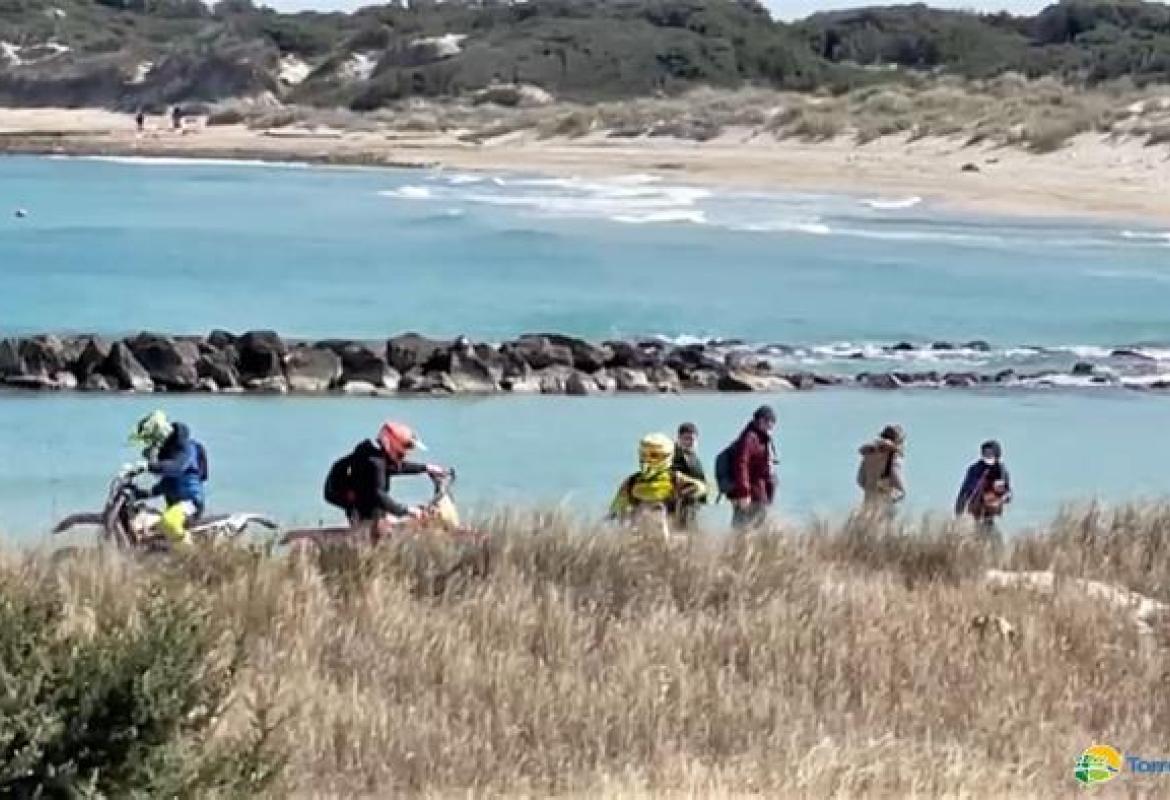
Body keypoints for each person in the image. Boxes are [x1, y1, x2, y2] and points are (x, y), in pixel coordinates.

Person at [324, 421, 448, 541]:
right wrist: (405, 510)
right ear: (390, 443)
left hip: (356, 488)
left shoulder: (378, 455)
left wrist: (426, 468)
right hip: (340, 490)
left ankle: (371, 525)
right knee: (374, 516)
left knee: (380, 511)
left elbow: (397, 467)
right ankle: (364, 533)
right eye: (405, 446)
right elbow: (379, 494)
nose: (407, 452)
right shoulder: (375, 462)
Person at [129, 410, 208, 548]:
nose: (148, 446)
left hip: (191, 503)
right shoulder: (168, 452)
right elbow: (167, 484)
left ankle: (193, 558)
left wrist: (150, 465)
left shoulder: (186, 448)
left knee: (169, 522)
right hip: (174, 505)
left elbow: (177, 468)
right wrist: (143, 493)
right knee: (143, 524)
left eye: (149, 441)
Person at [609, 433, 706, 533]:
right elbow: (617, 506)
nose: (648, 460)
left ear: (666, 456)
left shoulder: (674, 478)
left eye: (654, 455)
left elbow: (699, 488)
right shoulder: (632, 481)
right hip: (637, 531)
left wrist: (683, 496)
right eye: (644, 455)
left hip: (670, 529)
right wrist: (621, 514)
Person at [723, 405, 778, 530]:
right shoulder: (750, 438)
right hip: (750, 493)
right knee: (743, 530)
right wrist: (744, 493)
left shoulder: (762, 438)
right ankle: (737, 549)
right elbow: (741, 465)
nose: (770, 425)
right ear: (758, 421)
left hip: (759, 492)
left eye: (772, 422)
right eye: (767, 421)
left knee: (754, 528)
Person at [955, 440, 1013, 531]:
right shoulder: (975, 469)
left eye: (990, 453)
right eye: (985, 453)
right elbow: (965, 489)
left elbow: (1007, 492)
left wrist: (1003, 498)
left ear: (997, 454)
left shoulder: (1001, 470)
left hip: (992, 507)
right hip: (975, 506)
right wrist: (959, 510)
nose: (987, 455)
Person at [856, 424, 907, 514]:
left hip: (867, 507)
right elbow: (900, 490)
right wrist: (886, 497)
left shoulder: (869, 454)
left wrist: (871, 489)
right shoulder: (893, 457)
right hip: (883, 510)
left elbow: (860, 480)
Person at [672, 422, 708, 529]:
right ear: (679, 438)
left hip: (693, 504)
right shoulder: (676, 457)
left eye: (693, 439)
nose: (690, 442)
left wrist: (702, 499)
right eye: (686, 438)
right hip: (680, 504)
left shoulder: (694, 457)